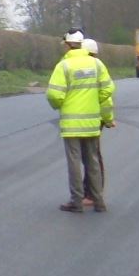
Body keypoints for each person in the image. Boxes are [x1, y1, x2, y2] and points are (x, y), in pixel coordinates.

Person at [47, 29, 115, 214]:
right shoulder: (96, 64)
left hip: (71, 124)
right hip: (92, 123)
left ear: (68, 45)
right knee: (92, 161)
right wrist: (94, 101)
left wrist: (60, 105)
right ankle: (99, 201)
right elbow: (108, 88)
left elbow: (54, 94)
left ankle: (76, 202)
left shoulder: (64, 66)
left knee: (74, 163)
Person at [80, 37, 107, 207]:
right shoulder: (98, 66)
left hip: (91, 118)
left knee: (91, 157)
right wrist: (108, 118)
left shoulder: (92, 67)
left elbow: (105, 96)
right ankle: (92, 192)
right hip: (96, 118)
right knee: (92, 156)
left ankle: (92, 194)